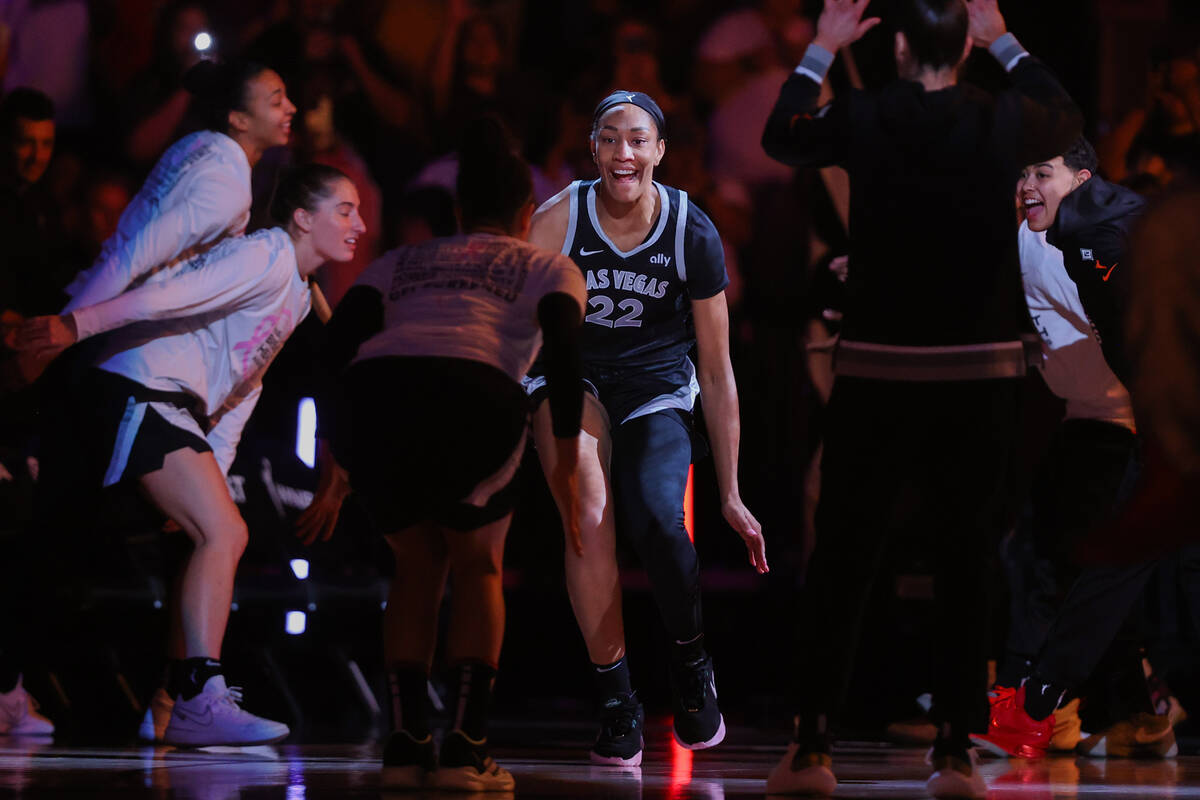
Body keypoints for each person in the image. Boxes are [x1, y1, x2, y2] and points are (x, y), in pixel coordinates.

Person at [760, 0, 1080, 796]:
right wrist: (1005, 35)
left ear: (897, 48)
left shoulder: (865, 113)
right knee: (966, 560)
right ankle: (955, 753)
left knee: (843, 557)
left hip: (876, 371)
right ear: (967, 47)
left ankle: (812, 748)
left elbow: (782, 135)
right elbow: (1066, 115)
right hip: (977, 378)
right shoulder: (1003, 115)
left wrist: (822, 49)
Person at [17, 162, 366, 747]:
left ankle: (170, 699)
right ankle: (198, 696)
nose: (358, 224)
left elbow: (241, 388)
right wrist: (75, 326)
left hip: (163, 403)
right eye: (345, 210)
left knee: (194, 538)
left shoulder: (299, 296)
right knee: (220, 533)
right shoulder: (266, 253)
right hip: (136, 387)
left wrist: (211, 472)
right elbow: (164, 297)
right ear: (303, 218)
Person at [298, 117, 585, 791]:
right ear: (526, 213)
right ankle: (465, 748)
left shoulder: (400, 261)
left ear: (458, 211)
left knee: (417, 567)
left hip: (378, 404)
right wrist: (567, 470)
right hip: (473, 397)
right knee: (478, 566)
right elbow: (567, 361)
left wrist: (335, 456)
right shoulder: (548, 264)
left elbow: (332, 354)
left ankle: (403, 750)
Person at [526, 89, 766, 767]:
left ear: (660, 151)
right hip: (570, 379)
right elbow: (516, 335)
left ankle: (691, 663)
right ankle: (616, 701)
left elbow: (717, 373)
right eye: (608, 139)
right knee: (589, 509)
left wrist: (731, 492)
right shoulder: (556, 220)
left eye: (636, 139)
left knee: (660, 518)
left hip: (658, 384)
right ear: (594, 149)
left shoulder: (691, 229)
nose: (621, 152)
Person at [973, 140, 1184, 760]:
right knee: (1091, 562)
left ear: (1084, 180)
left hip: (1128, 420)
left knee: (1063, 558)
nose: (1026, 185)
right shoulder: (1038, 236)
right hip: (1120, 416)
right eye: (1021, 172)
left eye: (1043, 172)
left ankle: (1050, 704)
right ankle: (1078, 706)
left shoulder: (1095, 236)